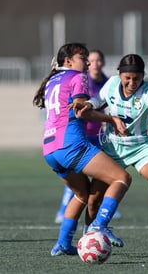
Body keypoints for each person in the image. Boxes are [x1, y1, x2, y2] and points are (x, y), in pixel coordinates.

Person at [72, 54, 148, 253]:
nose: (131, 82)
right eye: (127, 78)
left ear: (142, 77)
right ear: (120, 75)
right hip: (113, 148)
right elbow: (98, 99)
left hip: (142, 148)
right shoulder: (112, 84)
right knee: (94, 198)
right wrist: (89, 105)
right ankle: (88, 240)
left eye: (136, 78)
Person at [33, 43, 132, 256]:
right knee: (121, 178)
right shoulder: (78, 77)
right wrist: (110, 119)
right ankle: (100, 225)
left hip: (49, 149)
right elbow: (81, 111)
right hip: (71, 144)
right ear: (68, 61)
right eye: (82, 58)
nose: (87, 62)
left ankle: (62, 243)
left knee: (81, 194)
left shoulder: (52, 80)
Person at [54, 49, 122, 224]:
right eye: (90, 60)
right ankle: (64, 209)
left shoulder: (107, 82)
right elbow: (78, 109)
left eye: (98, 60)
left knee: (101, 175)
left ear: (103, 63)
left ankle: (103, 208)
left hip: (98, 134)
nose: (94, 64)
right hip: (80, 136)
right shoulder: (82, 79)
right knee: (83, 180)